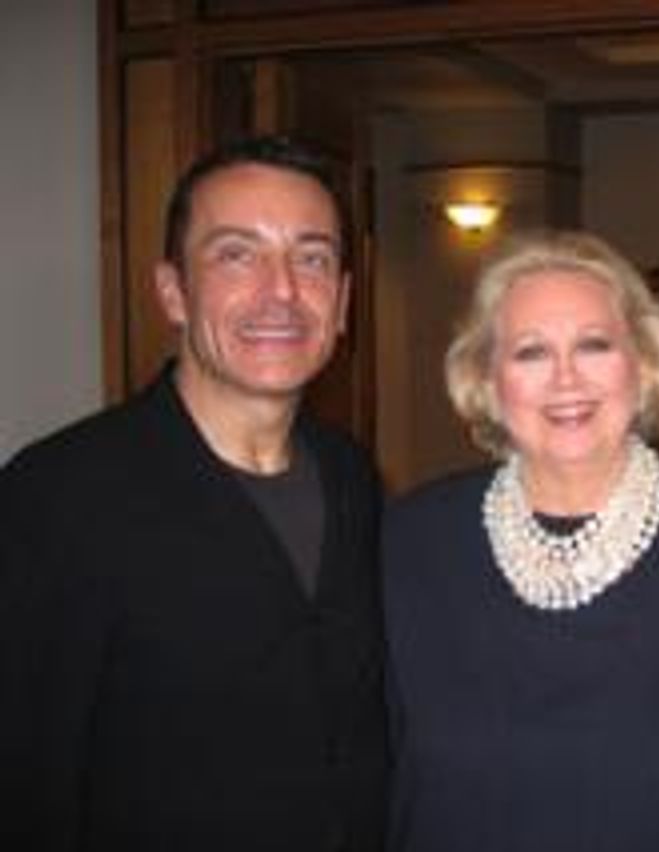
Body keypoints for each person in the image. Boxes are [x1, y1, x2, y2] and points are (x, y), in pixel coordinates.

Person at [0, 135, 389, 851]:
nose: (282, 291)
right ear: (173, 291)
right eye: (237, 254)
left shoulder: (353, 477)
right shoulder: (57, 497)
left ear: (341, 302)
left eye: (311, 258)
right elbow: (25, 782)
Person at [382, 229, 659, 851]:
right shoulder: (410, 542)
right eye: (530, 353)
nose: (566, 379)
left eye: (594, 345)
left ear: (646, 364)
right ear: (488, 381)